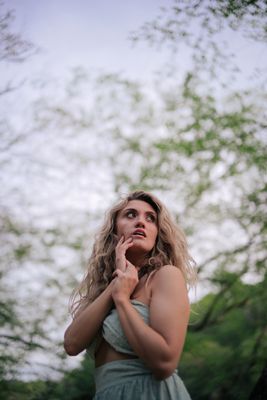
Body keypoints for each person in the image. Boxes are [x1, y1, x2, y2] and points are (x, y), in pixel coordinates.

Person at [64, 190, 196, 399]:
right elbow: (72, 344)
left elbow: (164, 363)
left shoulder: (165, 277)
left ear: (157, 234)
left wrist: (122, 301)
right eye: (131, 215)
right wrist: (116, 286)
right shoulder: (104, 291)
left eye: (150, 218)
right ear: (115, 231)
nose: (141, 222)